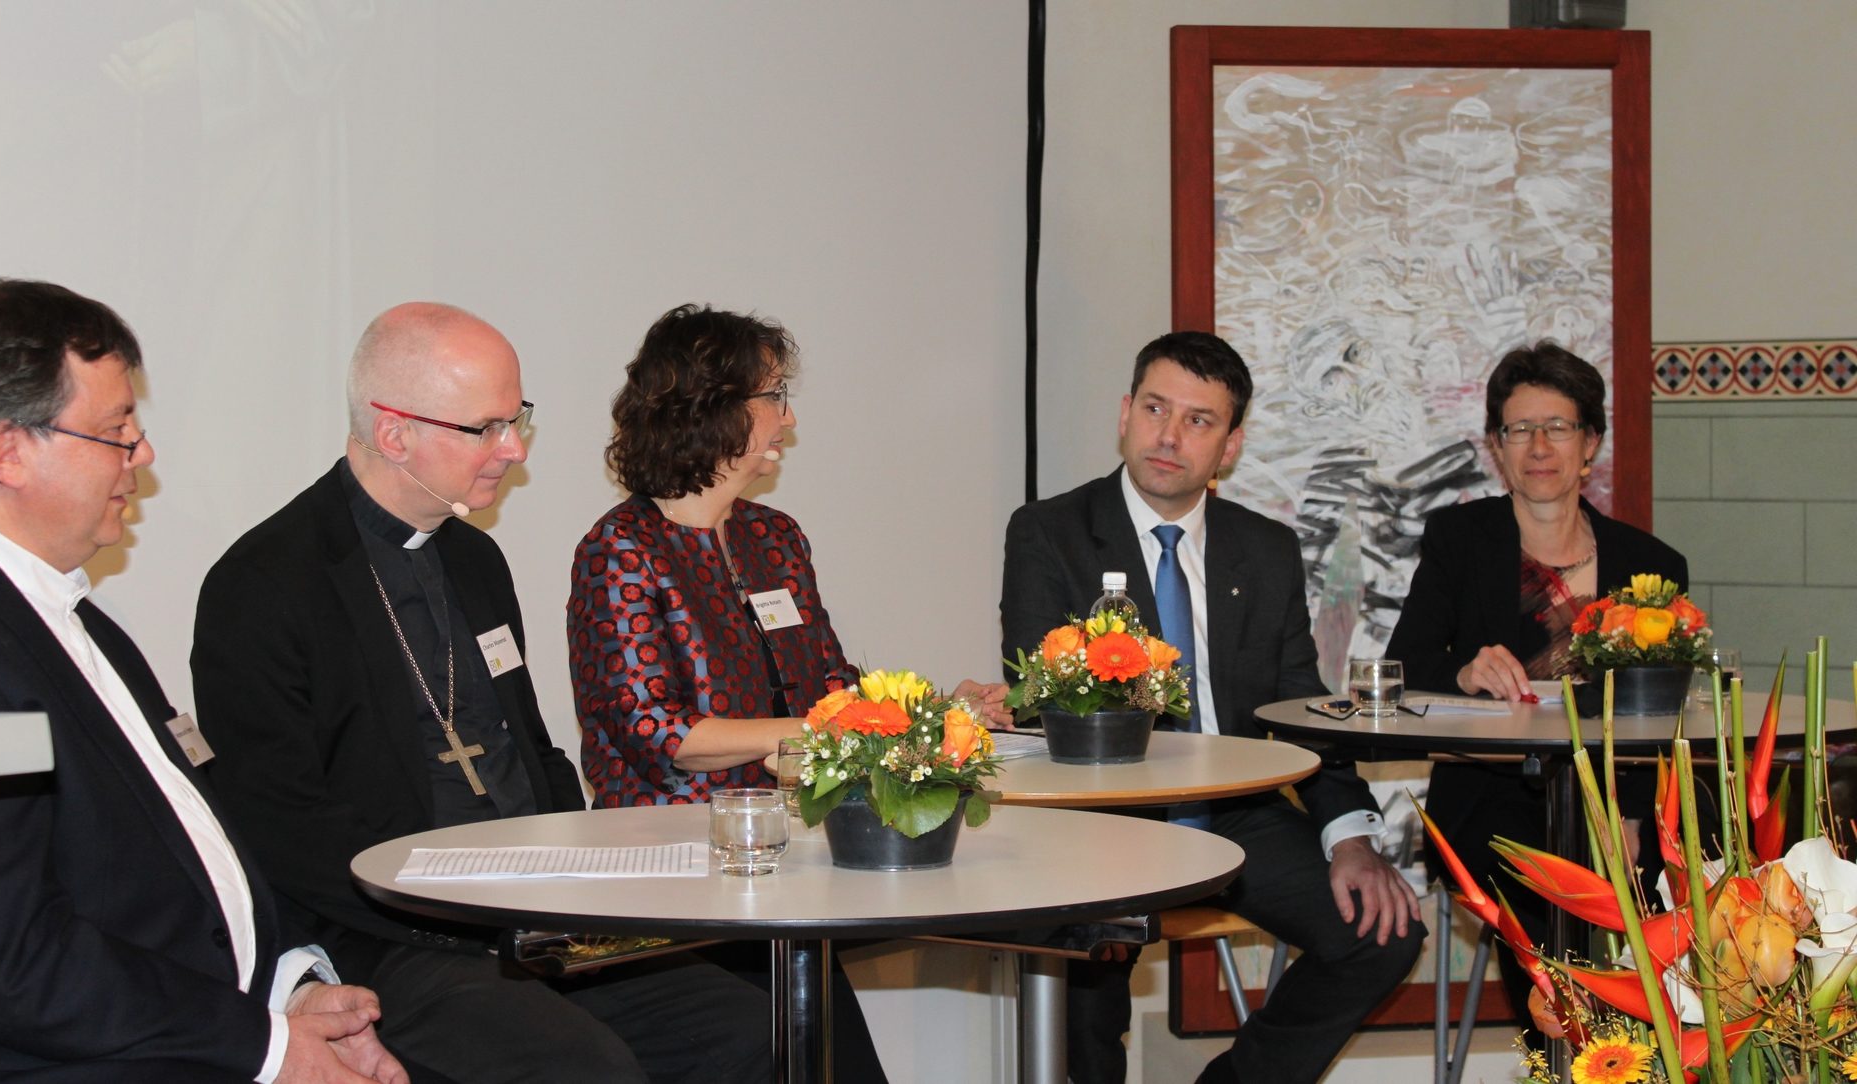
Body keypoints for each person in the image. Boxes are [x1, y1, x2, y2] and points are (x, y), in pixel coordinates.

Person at [193, 302, 771, 1084]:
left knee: (750, 1030)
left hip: (534, 914)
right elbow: (278, 820)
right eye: (486, 428)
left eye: (518, 418)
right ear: (394, 433)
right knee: (583, 1068)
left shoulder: (475, 561)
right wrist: (448, 910)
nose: (514, 449)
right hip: (392, 934)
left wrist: (582, 874)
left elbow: (530, 749)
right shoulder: (263, 583)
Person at [0, 278, 406, 1082]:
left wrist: (289, 995)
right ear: (7, 451)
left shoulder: (83, 624)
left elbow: (181, 855)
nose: (142, 455)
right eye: (116, 429)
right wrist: (261, 1047)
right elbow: (0, 955)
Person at [567, 303, 1010, 1082]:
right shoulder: (621, 551)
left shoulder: (776, 537)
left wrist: (931, 713)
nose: (787, 416)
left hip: (792, 864)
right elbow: (662, 734)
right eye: (772, 394)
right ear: (712, 407)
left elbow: (831, 685)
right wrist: (815, 734)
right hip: (678, 885)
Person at [1000, 330, 1425, 1084]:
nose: (1170, 435)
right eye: (1156, 409)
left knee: (1380, 935)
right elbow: (1046, 707)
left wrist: (1350, 834)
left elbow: (1301, 706)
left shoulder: (1263, 549)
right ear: (1126, 413)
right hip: (1102, 818)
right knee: (1084, 986)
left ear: (1228, 446)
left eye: (1199, 420)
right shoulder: (1049, 533)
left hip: (1235, 812)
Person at [1386, 341, 1689, 1025]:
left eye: (1558, 427)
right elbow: (1404, 674)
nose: (1539, 445)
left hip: (1617, 801)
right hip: (1492, 797)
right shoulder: (1459, 540)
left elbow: (1662, 712)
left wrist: (1636, 812)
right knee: (1548, 902)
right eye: (1520, 429)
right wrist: (1463, 673)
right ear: (1497, 446)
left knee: (1696, 884)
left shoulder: (1651, 563)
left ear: (1592, 445)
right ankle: (1567, 1046)